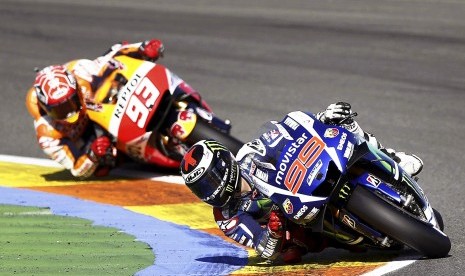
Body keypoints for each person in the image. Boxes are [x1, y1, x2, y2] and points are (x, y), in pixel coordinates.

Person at [179, 102, 424, 263]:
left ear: (224, 164)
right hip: (295, 222)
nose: (210, 190)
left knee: (341, 126)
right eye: (201, 187)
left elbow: (287, 134)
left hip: (303, 183)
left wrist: (321, 118)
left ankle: (392, 157)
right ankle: (345, 233)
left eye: (210, 180)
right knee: (289, 254)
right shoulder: (226, 215)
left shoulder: (248, 155)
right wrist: (273, 232)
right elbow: (262, 248)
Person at [25, 39, 165, 178]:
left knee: (119, 71)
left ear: (77, 90)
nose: (70, 113)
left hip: (106, 104)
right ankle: (133, 153)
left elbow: (111, 56)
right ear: (46, 108)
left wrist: (141, 48)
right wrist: (92, 155)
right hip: (92, 139)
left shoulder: (80, 71)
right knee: (102, 169)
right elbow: (77, 169)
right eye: (60, 110)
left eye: (72, 102)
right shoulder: (47, 135)